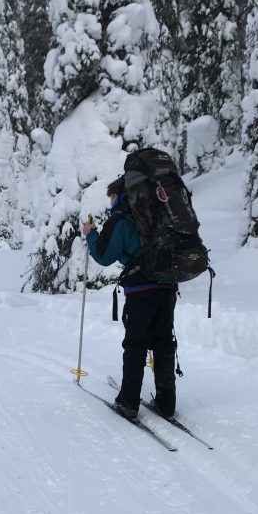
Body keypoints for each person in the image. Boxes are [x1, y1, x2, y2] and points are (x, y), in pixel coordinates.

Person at [82, 176, 178, 419]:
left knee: (136, 345)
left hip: (141, 290)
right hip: (167, 286)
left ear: (119, 195)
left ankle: (128, 402)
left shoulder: (122, 219)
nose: (111, 202)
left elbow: (104, 256)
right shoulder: (160, 213)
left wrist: (91, 235)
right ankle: (167, 404)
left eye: (111, 197)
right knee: (164, 343)